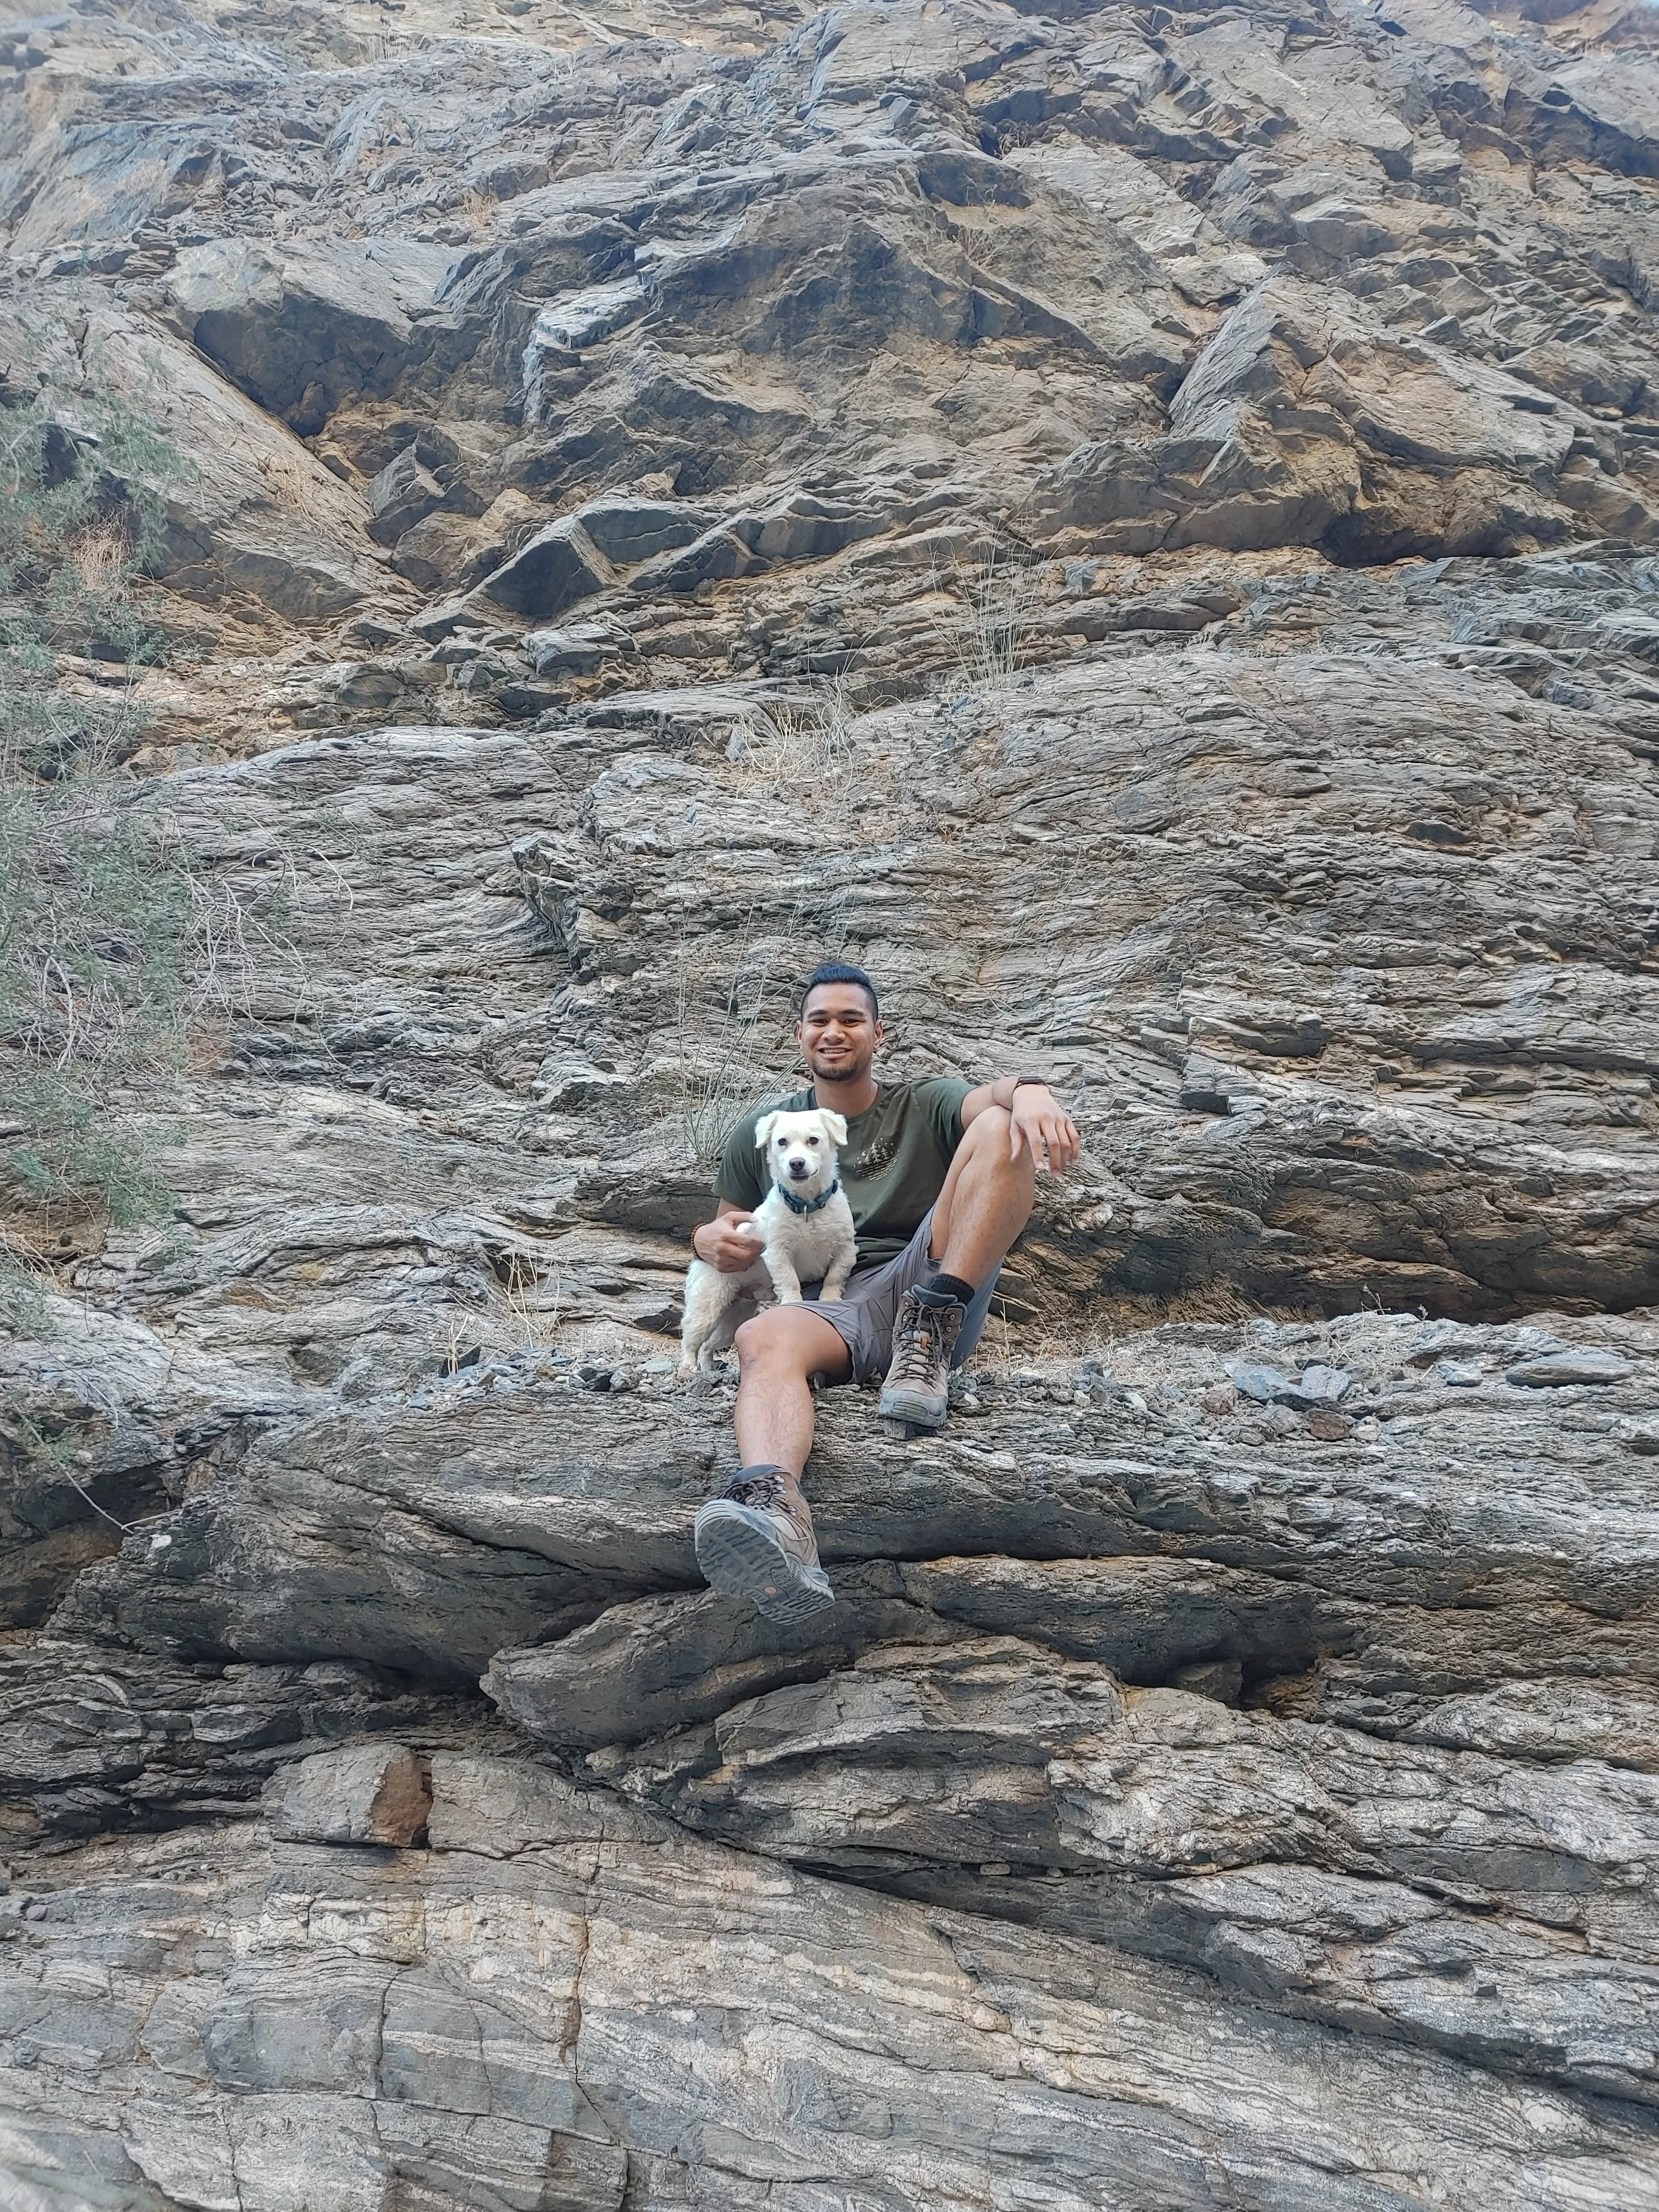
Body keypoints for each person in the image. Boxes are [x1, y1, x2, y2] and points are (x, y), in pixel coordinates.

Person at [688, 962, 1080, 1625]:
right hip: (828, 1309)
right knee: (760, 1337)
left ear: (879, 1033)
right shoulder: (765, 1127)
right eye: (819, 1020)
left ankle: (926, 1334)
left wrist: (1031, 1091)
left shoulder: (923, 1104)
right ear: (799, 1035)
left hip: (924, 1278)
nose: (834, 1032)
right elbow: (734, 1233)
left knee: (999, 1129)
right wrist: (705, 1241)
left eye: (850, 1020)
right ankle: (778, 1522)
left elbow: (991, 1102)